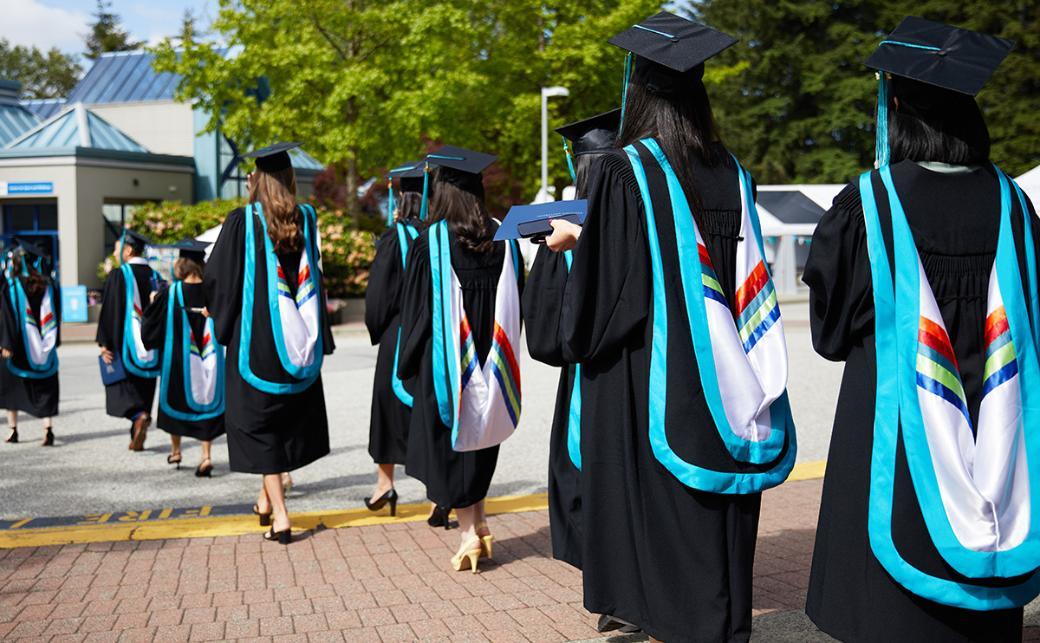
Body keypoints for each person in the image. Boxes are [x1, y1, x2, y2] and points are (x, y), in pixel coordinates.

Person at [545, 12, 797, 641]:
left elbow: (608, 301)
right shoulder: (732, 171)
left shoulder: (623, 170)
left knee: (658, 516)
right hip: (727, 367)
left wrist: (571, 249)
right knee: (718, 506)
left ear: (638, 91)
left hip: (646, 374)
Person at [803, 18, 1040, 641]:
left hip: (891, 423)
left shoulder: (870, 202)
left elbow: (828, 335)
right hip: (999, 417)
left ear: (897, 109)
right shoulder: (1014, 205)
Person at [399, 145, 524, 572]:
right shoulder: (501, 236)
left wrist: (408, 364)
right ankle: (482, 521)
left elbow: (415, 313)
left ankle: (470, 532)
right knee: (482, 436)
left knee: (453, 444)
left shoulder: (430, 242)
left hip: (448, 364)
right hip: (495, 357)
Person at [205, 142, 334, 545]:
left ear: (255, 179)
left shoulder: (243, 220)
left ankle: (280, 514)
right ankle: (265, 500)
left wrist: (219, 318)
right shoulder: (306, 218)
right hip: (298, 345)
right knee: (283, 424)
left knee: (261, 430)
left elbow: (217, 279)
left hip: (255, 343)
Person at [523, 109, 619, 572]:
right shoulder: (650, 220)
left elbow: (544, 336)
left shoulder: (561, 229)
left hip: (590, 378)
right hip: (650, 374)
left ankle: (609, 590)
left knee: (587, 475)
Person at [363, 160, 424, 518]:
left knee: (388, 412)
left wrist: (378, 329)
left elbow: (378, 299)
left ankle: (385, 485)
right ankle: (439, 495)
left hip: (397, 334)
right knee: (431, 409)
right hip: (432, 334)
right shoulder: (437, 234)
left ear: (400, 198)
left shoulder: (394, 238)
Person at [142, 239, 225, 476]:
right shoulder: (213, 291)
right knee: (208, 398)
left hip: (179, 359)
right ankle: (206, 456)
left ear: (181, 265)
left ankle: (176, 450)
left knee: (175, 401)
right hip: (211, 358)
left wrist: (152, 302)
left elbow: (150, 325)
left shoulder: (170, 293)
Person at [97, 229, 163, 451]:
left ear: (127, 250)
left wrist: (104, 342)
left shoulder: (120, 275)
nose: (115, 252)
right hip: (152, 345)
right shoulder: (156, 277)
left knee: (124, 389)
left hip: (125, 344)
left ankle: (138, 416)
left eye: (117, 248)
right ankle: (138, 426)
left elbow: (111, 310)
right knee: (145, 388)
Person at [0, 240, 59, 446]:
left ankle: (13, 431)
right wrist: (54, 344)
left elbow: (6, 317)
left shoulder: (12, 286)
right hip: (44, 346)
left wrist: (6, 344)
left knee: (12, 391)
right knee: (45, 388)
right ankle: (48, 430)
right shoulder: (48, 286)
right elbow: (56, 317)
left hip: (17, 348)